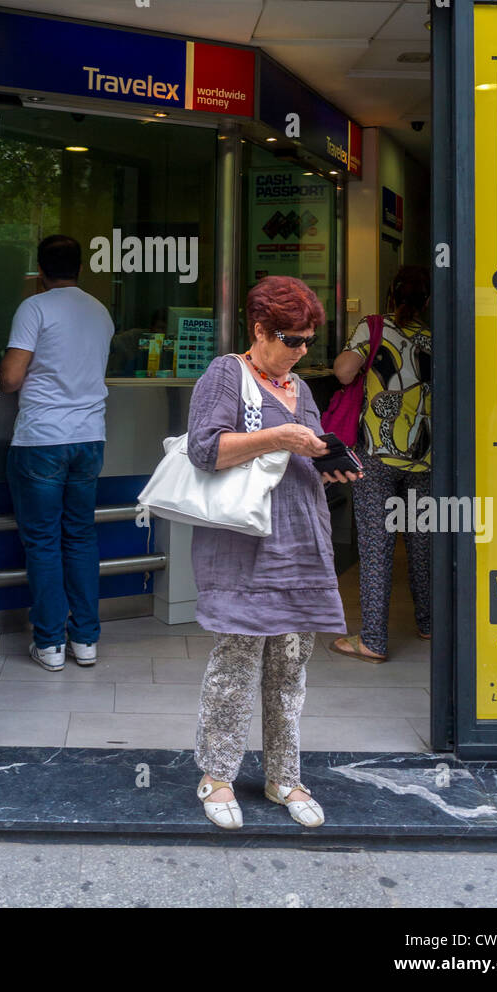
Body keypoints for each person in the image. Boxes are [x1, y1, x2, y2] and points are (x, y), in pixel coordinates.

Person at [185, 276, 359, 831]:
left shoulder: (300, 388)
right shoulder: (225, 374)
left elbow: (302, 452)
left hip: (301, 541)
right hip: (245, 544)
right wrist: (285, 438)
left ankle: (284, 776)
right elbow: (206, 448)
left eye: (309, 340)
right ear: (259, 330)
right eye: (292, 339)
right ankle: (216, 774)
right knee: (236, 663)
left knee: (291, 665)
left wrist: (329, 459)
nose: (303, 350)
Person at [0, 235, 115, 672]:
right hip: (89, 439)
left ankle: (49, 644)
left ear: (40, 269)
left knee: (44, 542)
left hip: (43, 439)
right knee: (81, 537)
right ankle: (85, 640)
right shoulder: (99, 311)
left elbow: (11, 378)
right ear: (80, 266)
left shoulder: (36, 307)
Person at [329, 264, 432, 664]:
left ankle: (372, 639)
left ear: (391, 296)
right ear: (425, 300)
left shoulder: (372, 327)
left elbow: (342, 372)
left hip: (375, 454)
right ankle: (428, 623)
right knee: (423, 545)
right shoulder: (434, 335)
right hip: (423, 456)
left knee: (376, 546)